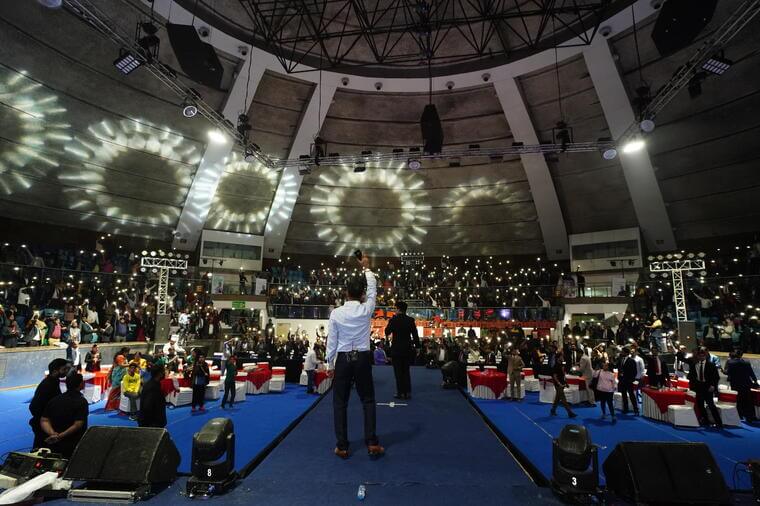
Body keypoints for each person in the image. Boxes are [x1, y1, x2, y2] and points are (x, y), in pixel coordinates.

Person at [326, 254, 384, 459]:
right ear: (362, 294)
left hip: (343, 359)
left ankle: (342, 446)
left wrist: (329, 363)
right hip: (362, 358)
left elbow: (332, 341)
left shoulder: (336, 313)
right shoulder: (366, 308)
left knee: (340, 403)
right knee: (368, 400)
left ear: (346, 292)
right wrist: (366, 268)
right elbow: (373, 289)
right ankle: (372, 443)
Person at [39, 373, 88, 458]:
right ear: (81, 384)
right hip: (74, 443)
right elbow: (78, 424)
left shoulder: (54, 400)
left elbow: (44, 420)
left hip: (55, 443)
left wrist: (53, 434)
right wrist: (61, 436)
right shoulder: (81, 401)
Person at [29, 358, 69, 449]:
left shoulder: (54, 381)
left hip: (47, 421)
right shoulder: (47, 385)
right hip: (42, 424)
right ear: (55, 371)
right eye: (64, 369)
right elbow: (34, 407)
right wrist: (45, 420)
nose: (66, 371)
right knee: (41, 447)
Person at [384, 300, 420, 400]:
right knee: (406, 371)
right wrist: (417, 347)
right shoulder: (410, 320)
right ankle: (407, 392)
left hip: (396, 349)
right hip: (407, 349)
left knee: (398, 372)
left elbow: (387, 332)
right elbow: (415, 335)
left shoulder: (393, 320)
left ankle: (400, 393)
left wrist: (391, 322)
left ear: (398, 309)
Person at [687, 347, 723, 428]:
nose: (701, 357)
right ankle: (706, 420)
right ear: (698, 356)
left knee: (711, 405)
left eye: (703, 356)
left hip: (708, 387)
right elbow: (690, 376)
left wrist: (713, 386)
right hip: (698, 387)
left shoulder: (711, 365)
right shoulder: (694, 365)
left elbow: (716, 377)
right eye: (700, 356)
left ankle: (719, 423)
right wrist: (692, 384)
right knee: (700, 405)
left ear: (705, 356)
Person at [725, 350, 758, 422]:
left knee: (738, 400)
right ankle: (750, 417)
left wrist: (721, 370)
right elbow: (751, 373)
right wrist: (755, 381)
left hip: (735, 384)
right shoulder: (746, 362)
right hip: (746, 384)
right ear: (741, 355)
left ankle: (739, 415)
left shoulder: (730, 362)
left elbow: (727, 372)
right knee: (748, 400)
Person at [617, 348, 639, 415]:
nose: (621, 353)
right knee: (624, 395)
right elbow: (619, 369)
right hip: (622, 380)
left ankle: (636, 409)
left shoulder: (631, 361)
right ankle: (625, 409)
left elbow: (634, 371)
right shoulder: (620, 360)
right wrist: (619, 378)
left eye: (622, 352)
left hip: (629, 381)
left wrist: (631, 380)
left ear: (626, 353)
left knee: (631, 395)